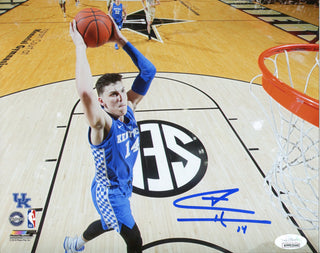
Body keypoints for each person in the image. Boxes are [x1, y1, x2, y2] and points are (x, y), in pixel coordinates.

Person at [64, 16, 156, 253]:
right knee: (134, 241)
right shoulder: (102, 124)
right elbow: (85, 92)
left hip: (124, 186)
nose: (121, 97)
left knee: (108, 223)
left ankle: (76, 244)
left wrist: (121, 39)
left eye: (123, 91)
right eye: (114, 94)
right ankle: (76, 244)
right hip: (110, 193)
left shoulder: (130, 109)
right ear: (102, 102)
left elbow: (148, 71)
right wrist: (80, 48)